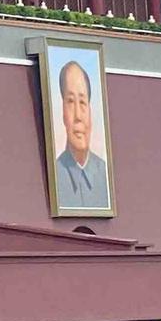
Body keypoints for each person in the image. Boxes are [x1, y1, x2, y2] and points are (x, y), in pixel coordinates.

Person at [55, 57, 110, 209]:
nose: (78, 115)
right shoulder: (55, 175)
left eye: (83, 102)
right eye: (71, 102)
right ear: (63, 111)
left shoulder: (105, 175)